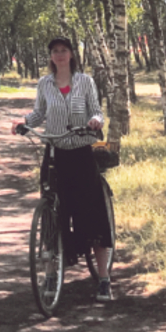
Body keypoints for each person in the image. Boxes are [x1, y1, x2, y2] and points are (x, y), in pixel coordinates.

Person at [10, 36, 114, 302]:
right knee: (51, 216)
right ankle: (51, 273)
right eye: (54, 51)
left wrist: (94, 121)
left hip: (81, 152)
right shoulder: (45, 83)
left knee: (92, 214)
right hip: (55, 152)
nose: (59, 55)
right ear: (51, 56)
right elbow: (38, 113)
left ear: (71, 54)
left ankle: (103, 279)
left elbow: (97, 112)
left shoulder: (85, 81)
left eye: (63, 50)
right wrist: (24, 122)